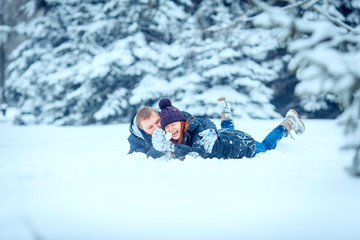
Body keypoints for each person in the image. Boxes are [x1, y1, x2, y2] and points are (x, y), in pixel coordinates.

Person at [151, 97, 305, 160]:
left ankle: (288, 123)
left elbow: (197, 152)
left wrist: (169, 146)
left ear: (181, 123)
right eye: (167, 127)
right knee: (226, 131)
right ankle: (225, 115)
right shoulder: (182, 134)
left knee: (266, 146)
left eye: (173, 124)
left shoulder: (198, 134)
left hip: (240, 144)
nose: (170, 129)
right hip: (224, 136)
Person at [128, 105, 217, 159]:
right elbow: (140, 161)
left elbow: (202, 121)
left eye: (157, 121)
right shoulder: (136, 140)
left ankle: (225, 109)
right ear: (143, 130)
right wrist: (157, 149)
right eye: (150, 127)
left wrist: (210, 130)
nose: (157, 128)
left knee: (227, 127)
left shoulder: (169, 116)